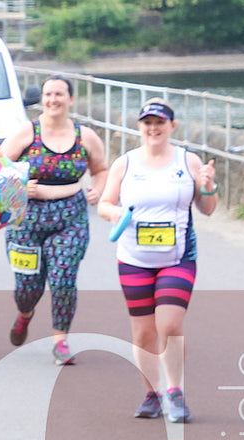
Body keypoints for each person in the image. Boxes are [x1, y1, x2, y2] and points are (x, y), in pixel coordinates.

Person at [97, 100, 218, 423]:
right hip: (133, 259)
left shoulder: (187, 161)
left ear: (171, 126)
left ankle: (175, 391)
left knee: (170, 325)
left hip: (178, 258)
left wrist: (208, 186)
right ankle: (152, 394)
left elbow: (208, 208)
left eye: (160, 123)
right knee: (144, 333)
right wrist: (115, 213)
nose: (153, 128)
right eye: (147, 123)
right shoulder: (125, 164)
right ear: (140, 127)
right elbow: (104, 204)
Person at [0, 76, 108, 364]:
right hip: (26, 221)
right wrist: (19, 188)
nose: (52, 100)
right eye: (48, 94)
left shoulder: (86, 137)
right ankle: (25, 313)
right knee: (27, 287)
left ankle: (61, 341)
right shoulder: (26, 133)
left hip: (70, 218)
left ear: (70, 99)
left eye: (59, 94)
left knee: (63, 280)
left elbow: (101, 169)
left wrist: (98, 189)